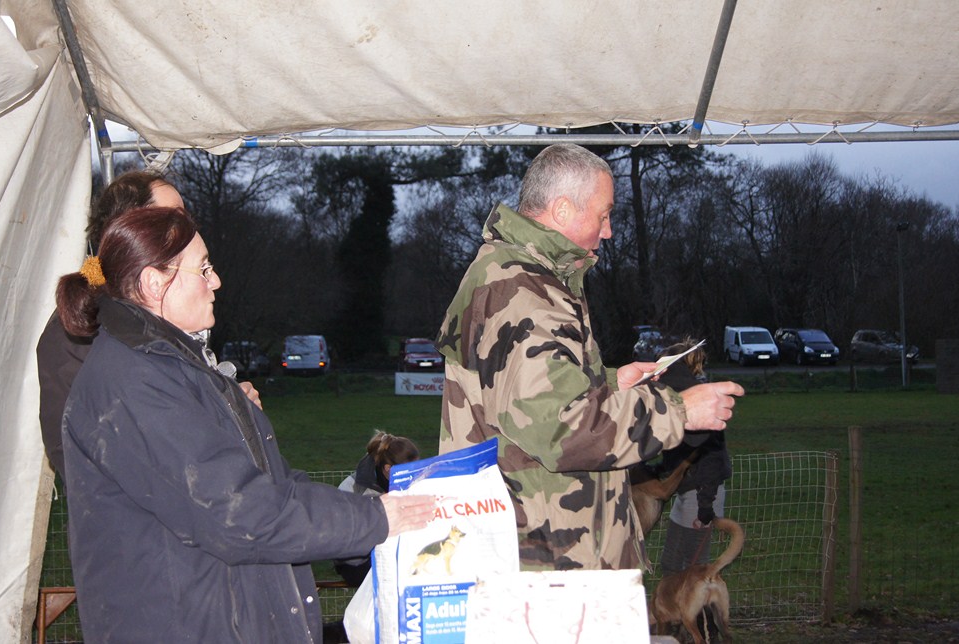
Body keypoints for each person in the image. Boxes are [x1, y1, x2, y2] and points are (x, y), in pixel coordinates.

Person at [56, 206, 436, 644]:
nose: (215, 281)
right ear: (153, 283)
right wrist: (377, 518)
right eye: (203, 269)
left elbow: (273, 484)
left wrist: (370, 523)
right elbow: (239, 512)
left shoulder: (179, 367)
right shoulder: (133, 381)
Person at [436, 143, 744, 571]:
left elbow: (522, 395)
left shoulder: (520, 273)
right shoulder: (522, 292)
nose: (609, 230)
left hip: (542, 546)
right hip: (546, 565)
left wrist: (607, 382)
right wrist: (679, 410)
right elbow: (559, 425)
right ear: (562, 209)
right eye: (603, 214)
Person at [36, 170, 260, 482]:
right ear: (132, 226)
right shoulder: (78, 324)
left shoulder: (164, 310)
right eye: (172, 215)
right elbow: (77, 453)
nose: (185, 226)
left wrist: (233, 408)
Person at [654, 339, 733, 576]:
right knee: (672, 564)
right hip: (687, 492)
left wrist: (705, 508)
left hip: (701, 495)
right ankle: (678, 612)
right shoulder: (679, 400)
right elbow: (676, 452)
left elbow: (712, 459)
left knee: (693, 569)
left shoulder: (701, 408)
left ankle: (700, 613)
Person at [334, 431, 421, 586]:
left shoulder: (409, 482)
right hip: (357, 562)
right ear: (388, 469)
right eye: (410, 471)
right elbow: (345, 540)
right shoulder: (354, 489)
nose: (415, 476)